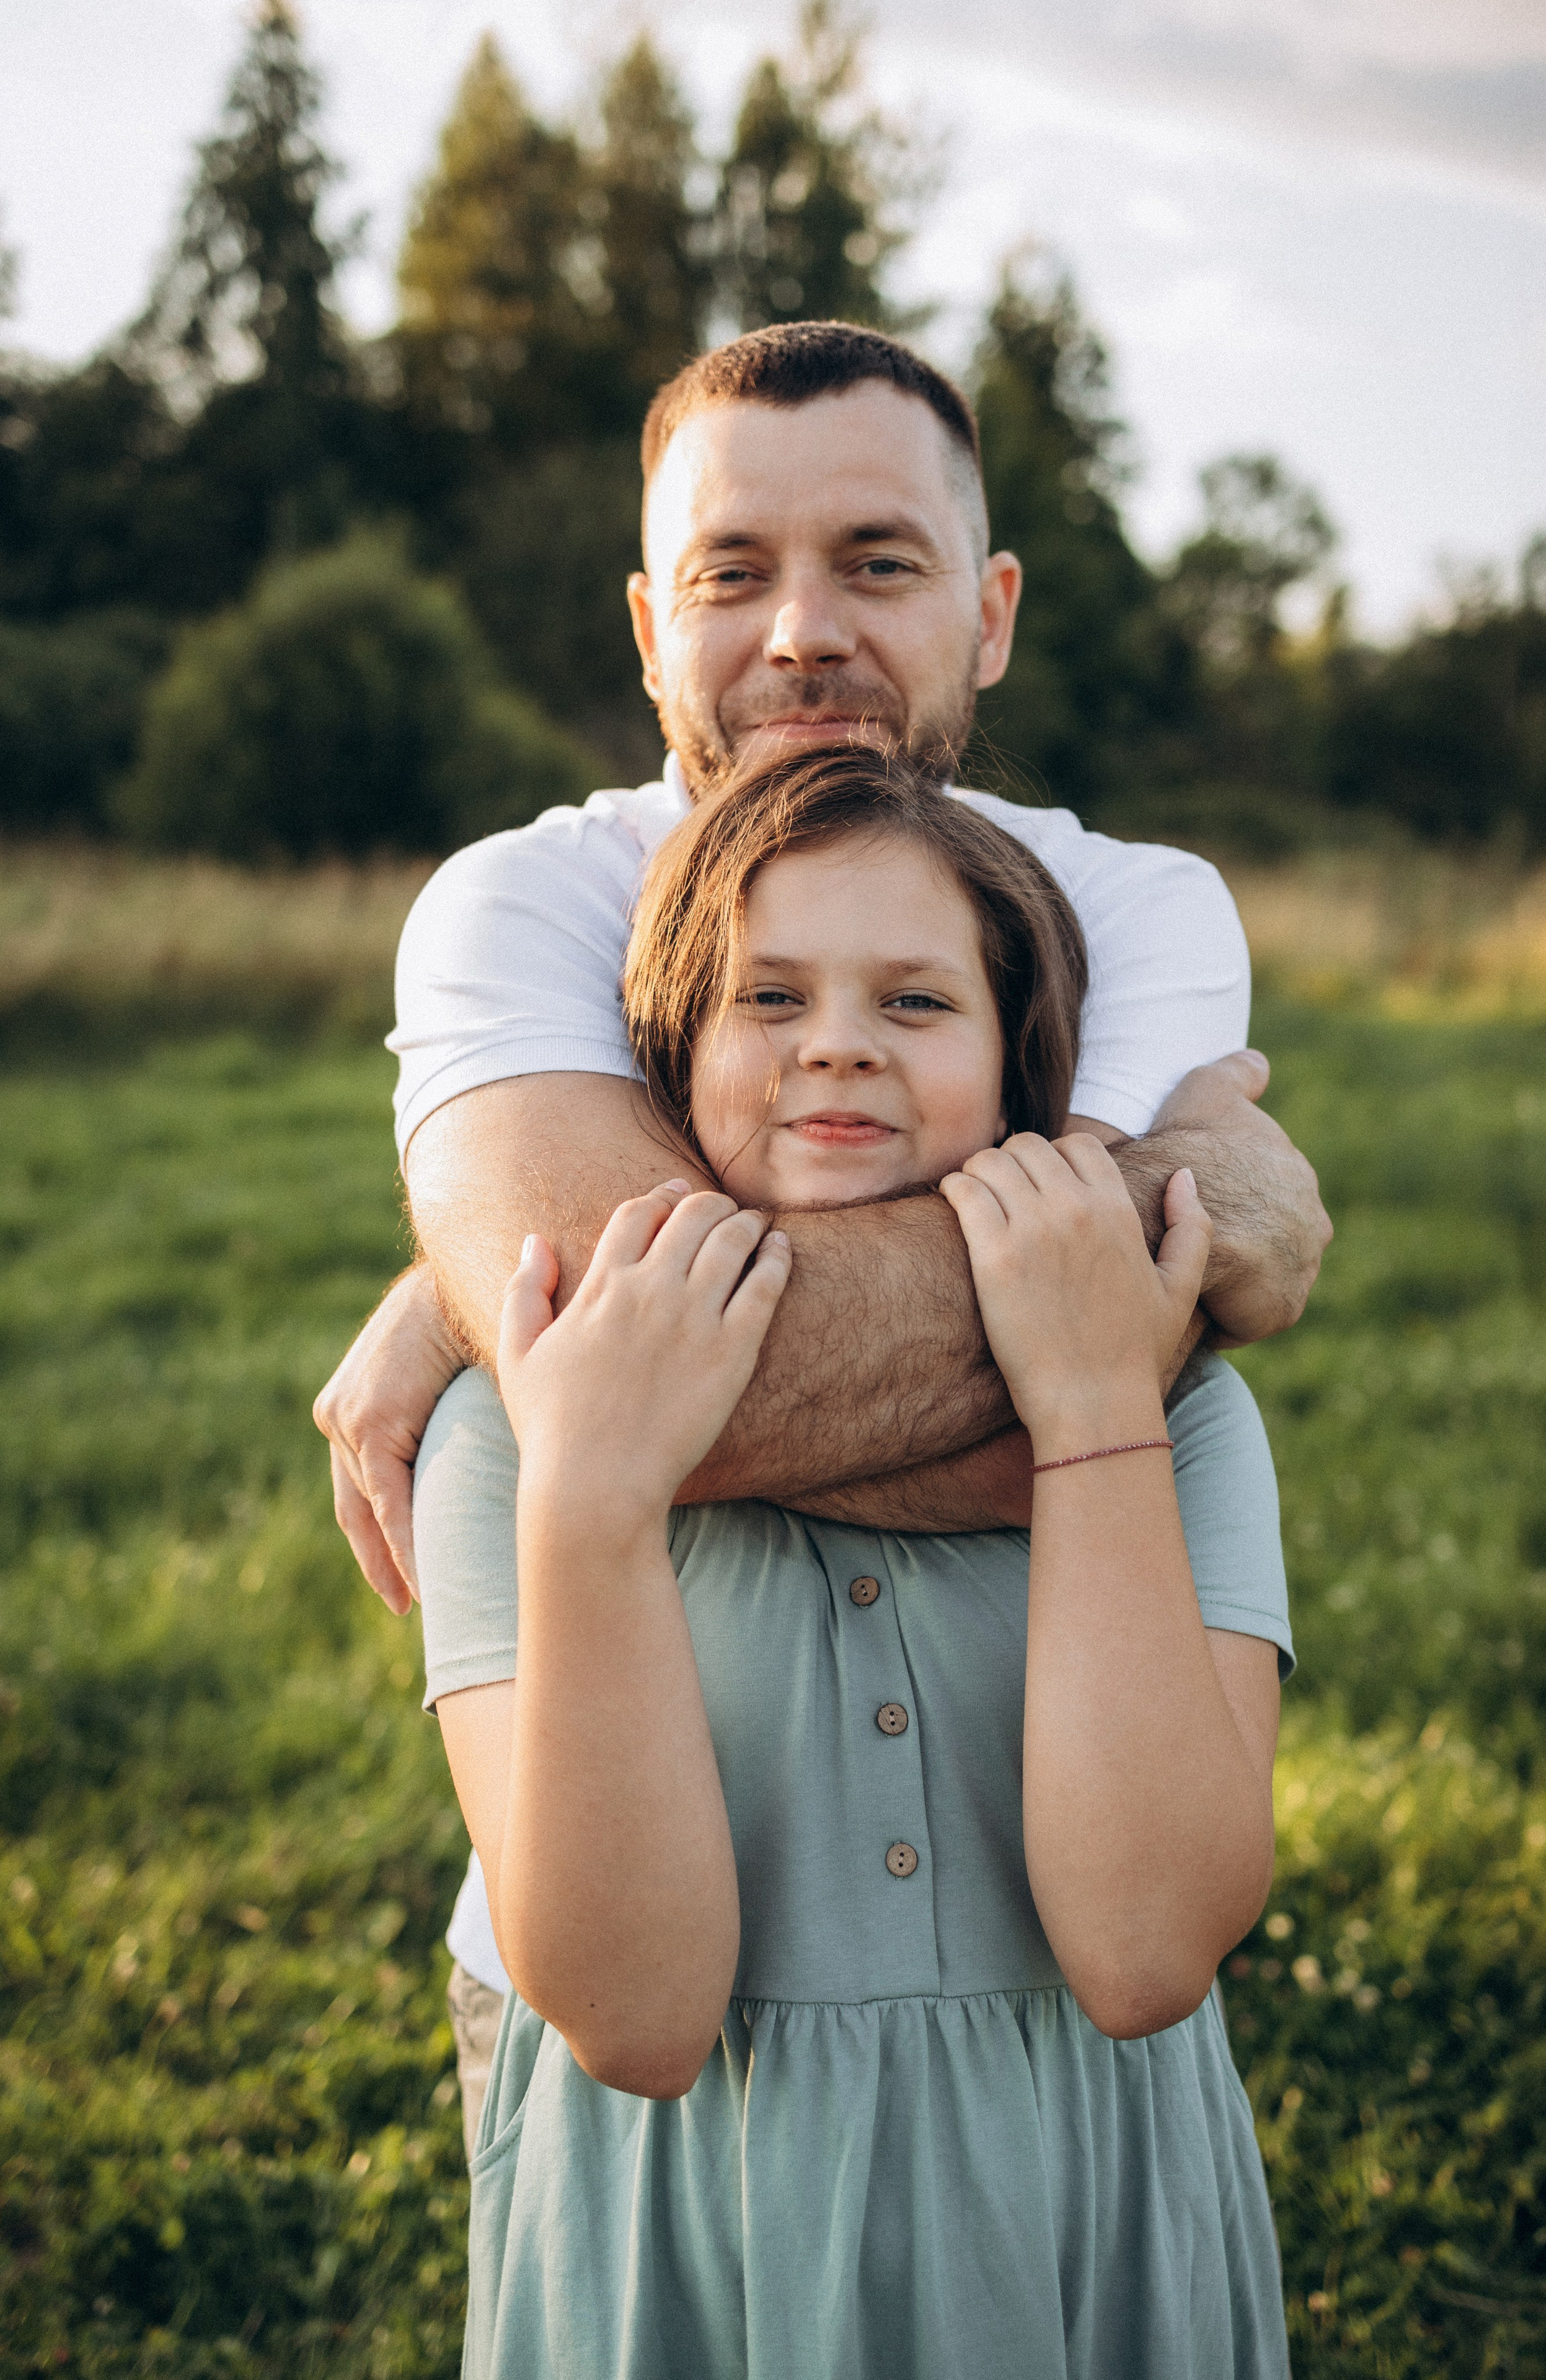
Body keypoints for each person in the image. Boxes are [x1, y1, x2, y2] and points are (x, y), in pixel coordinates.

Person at [311, 320, 1330, 2133]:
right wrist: (475, 1292)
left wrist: (536, 1325)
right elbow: (1066, 1344)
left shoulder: (1131, 904)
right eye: (733, 572)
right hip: (624, 2012)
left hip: (1044, 2006)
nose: (803, 632)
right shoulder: (519, 904)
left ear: (992, 611)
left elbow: (720, 1374)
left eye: (879, 562)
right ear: (646, 629)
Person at [413, 747, 1292, 2377]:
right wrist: (595, 1500)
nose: (836, 1041)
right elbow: (639, 2020)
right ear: (660, 1067)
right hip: (695, 2239)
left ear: (1028, 1069)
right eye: (767, 997)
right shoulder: (504, 1442)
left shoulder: (1186, 1417)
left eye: (916, 1002)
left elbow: (1147, 1951)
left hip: (1077, 2214)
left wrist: (1096, 1406)